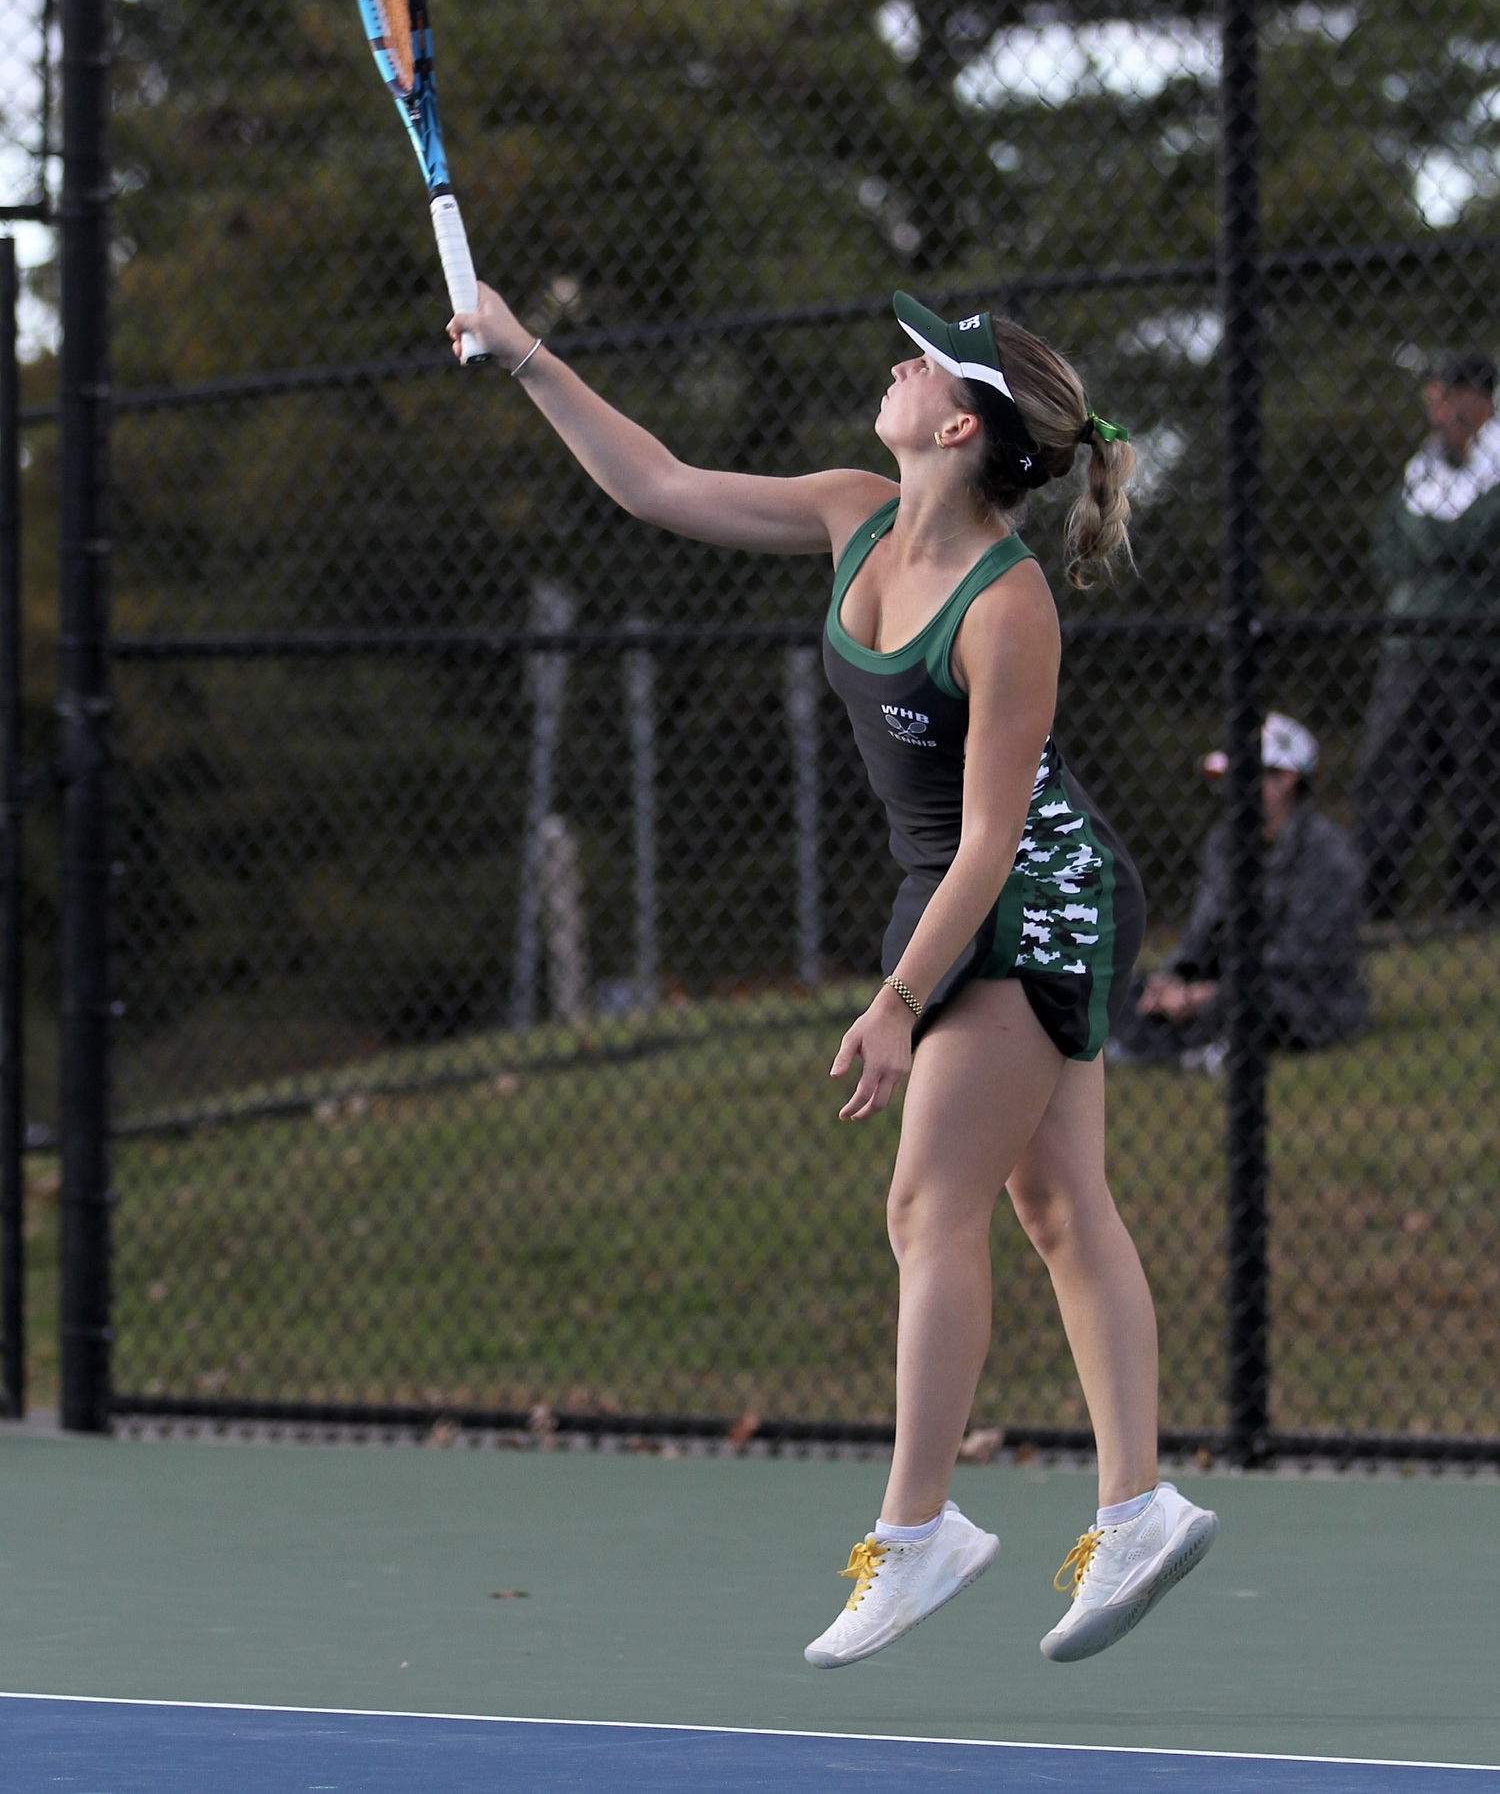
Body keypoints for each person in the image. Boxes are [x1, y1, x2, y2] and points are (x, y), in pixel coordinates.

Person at [449, 281, 1216, 1671]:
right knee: (1055, 1205)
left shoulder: (1010, 602)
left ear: (964, 427)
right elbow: (660, 485)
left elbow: (993, 842)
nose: (897, 370)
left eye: (923, 368)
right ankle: (1139, 1505)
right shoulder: (851, 505)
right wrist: (528, 357)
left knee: (933, 1200)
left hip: (1034, 890)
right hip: (957, 887)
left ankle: (917, 1535)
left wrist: (897, 1003)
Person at [1111, 713, 1366, 1071]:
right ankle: (1188, 1050)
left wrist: (1207, 993)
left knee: (1242, 1003)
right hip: (1223, 983)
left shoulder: (1328, 856)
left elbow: (1304, 960)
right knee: (1123, 991)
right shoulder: (1225, 843)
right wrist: (1173, 981)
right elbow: (1203, 935)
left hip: (1299, 997)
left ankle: (1169, 1048)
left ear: (1286, 779)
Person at [1356, 351, 1500, 921]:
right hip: (1409, 650)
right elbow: (1390, 546)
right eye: (1432, 398)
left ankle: (1478, 909)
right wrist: (1447, 554)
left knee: (1479, 781)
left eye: (1447, 397)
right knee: (1388, 776)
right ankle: (1370, 909)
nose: (1436, 411)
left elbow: (1469, 542)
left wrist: (1437, 553)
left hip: (1478, 652)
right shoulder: (1422, 470)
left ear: (1478, 398)